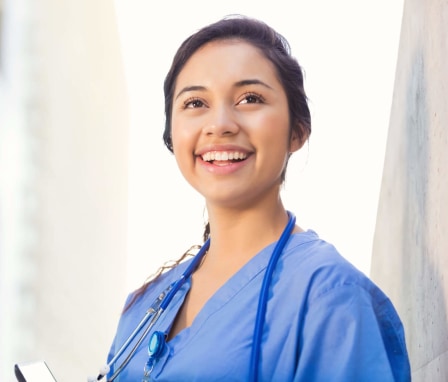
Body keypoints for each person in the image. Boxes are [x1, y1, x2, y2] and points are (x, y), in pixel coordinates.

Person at [98, 15, 411, 382]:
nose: (220, 124)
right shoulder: (143, 307)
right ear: (172, 135)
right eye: (195, 103)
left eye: (250, 98)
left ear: (297, 131)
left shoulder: (332, 299)